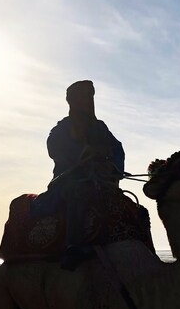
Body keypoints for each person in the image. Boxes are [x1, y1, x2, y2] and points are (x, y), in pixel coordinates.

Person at [46, 80, 125, 270]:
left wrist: (111, 167)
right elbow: (54, 148)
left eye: (91, 96)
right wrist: (84, 154)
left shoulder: (101, 128)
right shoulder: (61, 130)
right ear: (72, 101)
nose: (89, 100)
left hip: (101, 181)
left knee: (130, 207)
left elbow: (117, 149)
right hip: (68, 180)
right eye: (85, 96)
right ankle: (73, 247)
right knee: (78, 193)